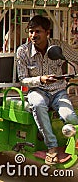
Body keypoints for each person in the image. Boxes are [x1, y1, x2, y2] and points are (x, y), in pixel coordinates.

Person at [16, 15, 78, 165]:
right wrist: (40, 79)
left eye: (37, 32)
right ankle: (52, 147)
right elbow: (22, 79)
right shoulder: (23, 51)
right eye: (31, 32)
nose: (33, 35)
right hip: (37, 90)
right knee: (38, 104)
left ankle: (75, 143)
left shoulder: (58, 46)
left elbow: (75, 57)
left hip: (58, 91)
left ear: (47, 32)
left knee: (70, 116)